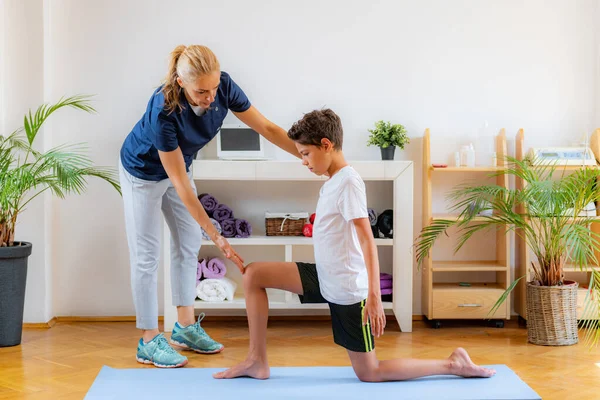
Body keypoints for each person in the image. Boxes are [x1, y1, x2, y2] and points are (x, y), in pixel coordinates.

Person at [214, 109, 496, 381]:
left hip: (347, 291)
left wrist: (373, 297)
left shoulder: (349, 181)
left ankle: (451, 364)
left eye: (306, 154)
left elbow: (366, 240)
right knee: (253, 274)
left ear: (326, 145)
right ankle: (256, 360)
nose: (303, 161)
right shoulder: (333, 181)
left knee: (370, 372)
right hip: (325, 276)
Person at [119, 45, 298, 368]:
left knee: (187, 245)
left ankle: (184, 327)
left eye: (214, 88)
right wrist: (216, 236)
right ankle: (147, 340)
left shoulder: (224, 87)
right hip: (142, 173)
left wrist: (308, 157)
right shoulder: (163, 109)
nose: (211, 97)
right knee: (146, 256)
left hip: (180, 168)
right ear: (180, 82)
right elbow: (181, 187)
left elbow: (268, 128)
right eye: (202, 91)